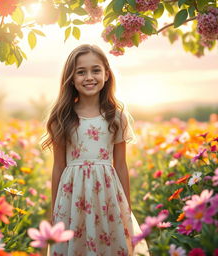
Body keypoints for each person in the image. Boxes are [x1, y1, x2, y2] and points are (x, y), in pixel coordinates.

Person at [42, 44, 150, 256]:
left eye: (96, 70)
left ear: (107, 75)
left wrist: (126, 209)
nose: (89, 77)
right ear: (71, 78)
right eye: (81, 72)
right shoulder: (62, 117)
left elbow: (120, 164)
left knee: (108, 244)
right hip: (73, 197)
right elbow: (58, 167)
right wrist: (56, 209)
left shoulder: (117, 116)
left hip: (107, 195)